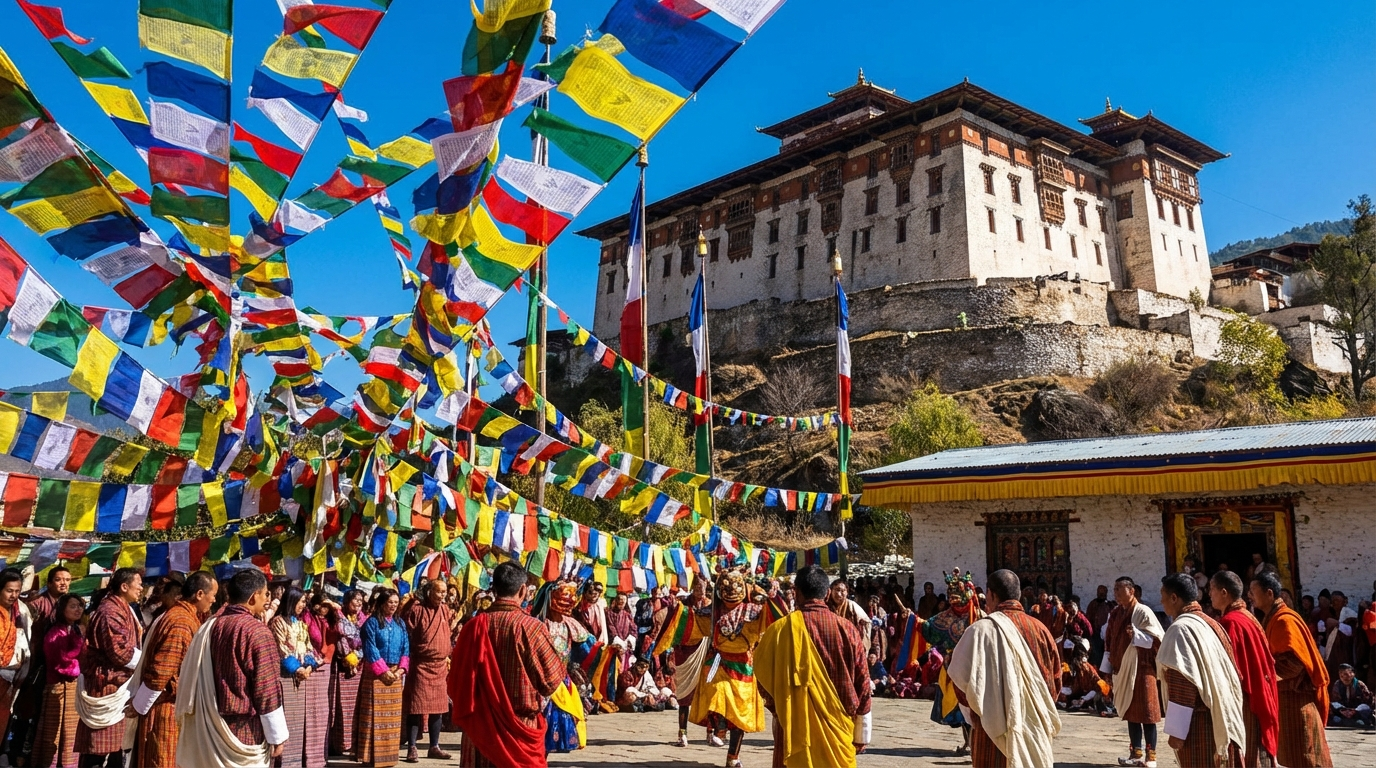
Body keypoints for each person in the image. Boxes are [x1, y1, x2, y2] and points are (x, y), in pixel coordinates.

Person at [448, 560, 566, 768]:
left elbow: (455, 683)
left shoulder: (471, 627)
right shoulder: (531, 628)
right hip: (519, 730)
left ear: (493, 589)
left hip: (478, 732)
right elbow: (552, 681)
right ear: (522, 590)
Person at [755, 565, 871, 768]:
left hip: (793, 726)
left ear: (796, 592)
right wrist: (862, 731)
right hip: (839, 727)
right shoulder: (848, 630)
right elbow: (863, 682)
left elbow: (763, 677)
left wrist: (780, 708)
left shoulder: (780, 630)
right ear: (827, 593)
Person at [948, 569, 1062, 768]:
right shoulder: (1041, 630)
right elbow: (1055, 682)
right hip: (1034, 731)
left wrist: (982, 713)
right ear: (1017, 594)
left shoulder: (979, 631)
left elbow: (960, 682)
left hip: (991, 732)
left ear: (991, 595)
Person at [179, 568, 287, 766]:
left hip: (207, 727)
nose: (267, 600)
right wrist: (277, 735)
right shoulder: (257, 632)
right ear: (254, 597)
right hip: (244, 731)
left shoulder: (210, 626)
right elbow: (266, 688)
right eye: (265, 594)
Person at [684, 570, 784, 768]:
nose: (730, 594)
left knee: (740, 714)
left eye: (735, 588)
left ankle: (733, 756)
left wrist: (768, 595)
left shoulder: (755, 611)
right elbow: (692, 624)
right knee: (715, 693)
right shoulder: (712, 611)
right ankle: (719, 725)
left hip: (743, 665)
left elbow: (778, 618)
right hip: (717, 660)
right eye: (726, 589)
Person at [1157, 573, 1245, 768]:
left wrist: (1177, 732)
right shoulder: (1211, 622)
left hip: (1199, 723)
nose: (1160, 600)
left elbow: (1182, 680)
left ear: (1174, 598)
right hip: (1223, 713)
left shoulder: (1180, 628)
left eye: (1163, 595)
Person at [129, 570, 215, 768]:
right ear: (200, 594)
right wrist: (139, 705)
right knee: (162, 761)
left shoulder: (183, 616)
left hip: (173, 706)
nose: (214, 599)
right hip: (166, 708)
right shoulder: (181, 621)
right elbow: (162, 670)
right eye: (213, 594)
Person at [895, 568, 981, 756]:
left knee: (975, 708)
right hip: (951, 669)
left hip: (975, 670)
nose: (954, 598)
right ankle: (968, 742)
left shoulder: (979, 616)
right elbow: (925, 626)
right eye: (951, 594)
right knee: (959, 710)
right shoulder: (946, 616)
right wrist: (910, 617)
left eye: (958, 593)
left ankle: (977, 743)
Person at [1250, 573, 1333, 768]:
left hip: (1297, 701)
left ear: (1269, 593)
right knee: (1296, 757)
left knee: (1306, 758)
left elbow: (1293, 664)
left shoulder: (1284, 621)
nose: (1250, 596)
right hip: (1287, 701)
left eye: (1253, 592)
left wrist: (1262, 674)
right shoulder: (1274, 618)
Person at [1208, 571, 1279, 768]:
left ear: (1224, 592)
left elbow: (1230, 670)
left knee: (1245, 750)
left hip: (1245, 697)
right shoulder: (1247, 616)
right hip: (1259, 691)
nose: (1209, 594)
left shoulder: (1231, 622)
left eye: (1212, 589)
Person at [75, 567, 143, 768]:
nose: (141, 588)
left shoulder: (123, 607)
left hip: (120, 684)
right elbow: (119, 651)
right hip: (107, 684)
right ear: (124, 586)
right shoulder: (110, 611)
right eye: (138, 583)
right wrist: (145, 662)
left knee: (115, 750)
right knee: (100, 750)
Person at [1104, 576, 1164, 768]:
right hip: (1123, 668)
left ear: (1131, 591)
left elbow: (1157, 641)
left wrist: (1136, 636)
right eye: (1114, 589)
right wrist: (1108, 666)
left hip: (1143, 669)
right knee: (1130, 712)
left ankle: (1151, 757)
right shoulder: (1115, 614)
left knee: (1147, 713)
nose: (1116, 593)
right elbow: (1110, 641)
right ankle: (1135, 753)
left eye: (1119, 589)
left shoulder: (1143, 612)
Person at [651, 577, 713, 748]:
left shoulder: (710, 604)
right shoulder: (683, 604)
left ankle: (710, 732)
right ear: (693, 588)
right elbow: (671, 623)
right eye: (698, 587)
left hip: (704, 651)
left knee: (708, 693)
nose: (701, 591)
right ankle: (682, 734)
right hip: (685, 652)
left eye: (704, 587)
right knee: (684, 695)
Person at [269, 587, 326, 768]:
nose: (303, 605)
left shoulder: (300, 623)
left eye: (304, 601)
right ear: (291, 601)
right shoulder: (278, 622)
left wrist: (310, 665)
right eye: (300, 601)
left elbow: (308, 647)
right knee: (284, 721)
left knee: (297, 723)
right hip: (285, 677)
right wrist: (298, 669)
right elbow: (282, 650)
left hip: (301, 677)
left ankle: (294, 762)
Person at [399, 579, 453, 762]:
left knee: (437, 709)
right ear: (429, 592)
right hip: (420, 665)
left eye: (444, 592)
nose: (443, 595)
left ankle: (434, 746)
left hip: (439, 666)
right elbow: (407, 632)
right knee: (415, 708)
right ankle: (412, 747)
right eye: (439, 591)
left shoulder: (445, 610)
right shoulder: (417, 609)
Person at [356, 588, 408, 768]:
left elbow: (406, 648)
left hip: (395, 674)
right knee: (373, 716)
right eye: (390, 602)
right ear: (382, 603)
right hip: (376, 674)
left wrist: (400, 670)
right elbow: (370, 649)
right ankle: (369, 757)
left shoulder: (400, 624)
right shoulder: (371, 623)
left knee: (391, 720)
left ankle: (389, 757)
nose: (393, 606)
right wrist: (383, 671)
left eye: (396, 602)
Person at [33, 593, 84, 768]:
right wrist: (81, 658)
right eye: (73, 606)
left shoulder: (75, 629)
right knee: (52, 735)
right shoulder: (55, 632)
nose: (78, 609)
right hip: (59, 687)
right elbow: (61, 663)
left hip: (73, 688)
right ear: (62, 609)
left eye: (80, 606)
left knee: (70, 734)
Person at [330, 588, 367, 757]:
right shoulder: (340, 619)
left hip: (359, 667)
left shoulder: (364, 619)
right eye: (355, 600)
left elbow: (366, 641)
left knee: (357, 708)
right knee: (341, 707)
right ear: (346, 602)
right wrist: (349, 659)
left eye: (360, 600)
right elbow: (342, 641)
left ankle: (353, 744)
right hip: (344, 668)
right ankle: (340, 744)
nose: (358, 603)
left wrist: (358, 658)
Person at [1322, 591, 1357, 677]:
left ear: (1344, 601)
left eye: (1337, 600)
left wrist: (1337, 624)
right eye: (1332, 601)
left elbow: (1352, 632)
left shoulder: (1350, 614)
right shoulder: (1332, 615)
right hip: (1334, 654)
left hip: (1346, 651)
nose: (1334, 603)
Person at [572, 581, 609, 646]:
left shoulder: (600, 607)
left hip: (597, 641)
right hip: (582, 642)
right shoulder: (577, 608)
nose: (594, 594)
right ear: (585, 593)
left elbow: (604, 626)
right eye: (590, 592)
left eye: (598, 592)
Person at [1086, 585, 1114, 668]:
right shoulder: (1092, 604)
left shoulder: (1109, 605)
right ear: (1097, 592)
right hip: (1095, 635)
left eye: (1104, 592)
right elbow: (1088, 619)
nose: (1102, 594)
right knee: (1097, 655)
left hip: (1107, 635)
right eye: (1100, 592)